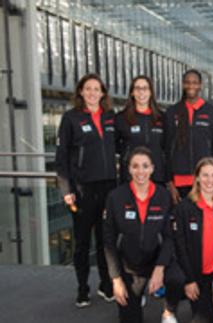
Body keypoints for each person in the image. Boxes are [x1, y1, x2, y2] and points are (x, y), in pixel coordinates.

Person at [55, 73, 116, 307]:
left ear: (103, 93)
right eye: (88, 89)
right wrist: (66, 189)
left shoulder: (110, 117)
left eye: (97, 89)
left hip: (108, 188)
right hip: (82, 189)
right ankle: (82, 288)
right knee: (81, 243)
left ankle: (106, 284)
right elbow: (61, 159)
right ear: (81, 91)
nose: (92, 93)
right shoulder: (71, 119)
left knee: (105, 242)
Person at [163, 157, 213, 323]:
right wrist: (189, 280)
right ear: (197, 177)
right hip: (197, 270)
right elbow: (181, 246)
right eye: (205, 175)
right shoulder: (184, 208)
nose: (210, 180)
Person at [103, 147, 173, 323]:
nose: (140, 171)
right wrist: (116, 279)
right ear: (128, 169)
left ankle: (169, 311)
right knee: (129, 317)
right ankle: (137, 294)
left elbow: (169, 237)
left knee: (178, 278)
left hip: (156, 261)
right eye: (135, 166)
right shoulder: (115, 197)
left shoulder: (163, 196)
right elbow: (109, 241)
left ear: (152, 169)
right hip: (130, 266)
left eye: (145, 166)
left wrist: (160, 268)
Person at [164, 69, 213, 204]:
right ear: (183, 84)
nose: (191, 86)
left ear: (200, 85)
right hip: (179, 182)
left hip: (205, 180)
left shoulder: (211, 112)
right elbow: (166, 149)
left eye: (195, 83)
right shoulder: (172, 112)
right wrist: (169, 182)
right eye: (187, 83)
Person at [115, 76, 166, 184]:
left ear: (151, 92)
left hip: (157, 176)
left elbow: (167, 146)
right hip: (131, 176)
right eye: (137, 88)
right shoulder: (121, 118)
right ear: (132, 92)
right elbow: (115, 145)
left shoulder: (162, 118)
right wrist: (128, 154)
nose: (141, 92)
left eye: (145, 88)